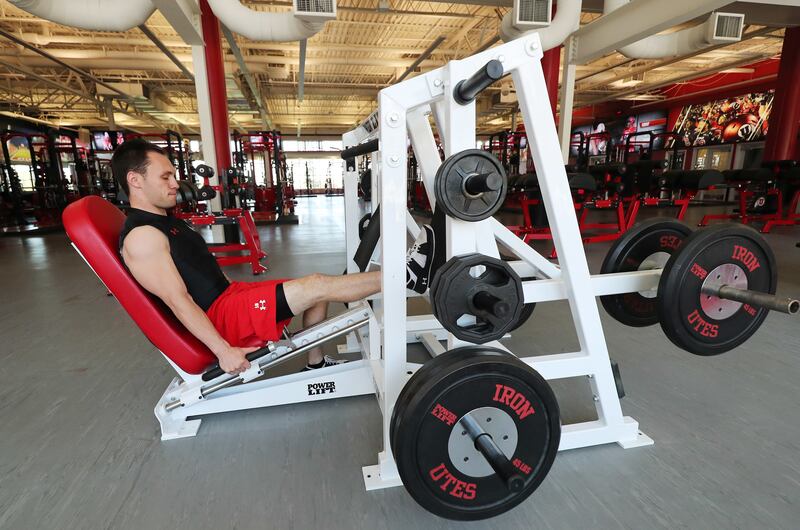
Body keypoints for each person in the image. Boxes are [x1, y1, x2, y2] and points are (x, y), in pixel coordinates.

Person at [113, 139, 434, 376]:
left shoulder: (165, 221)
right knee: (317, 285)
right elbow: (179, 301)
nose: (174, 184)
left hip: (231, 297)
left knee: (315, 292)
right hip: (222, 316)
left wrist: (246, 292)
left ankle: (316, 363)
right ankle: (406, 275)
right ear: (135, 180)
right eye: (165, 177)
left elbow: (200, 273)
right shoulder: (143, 237)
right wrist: (224, 352)